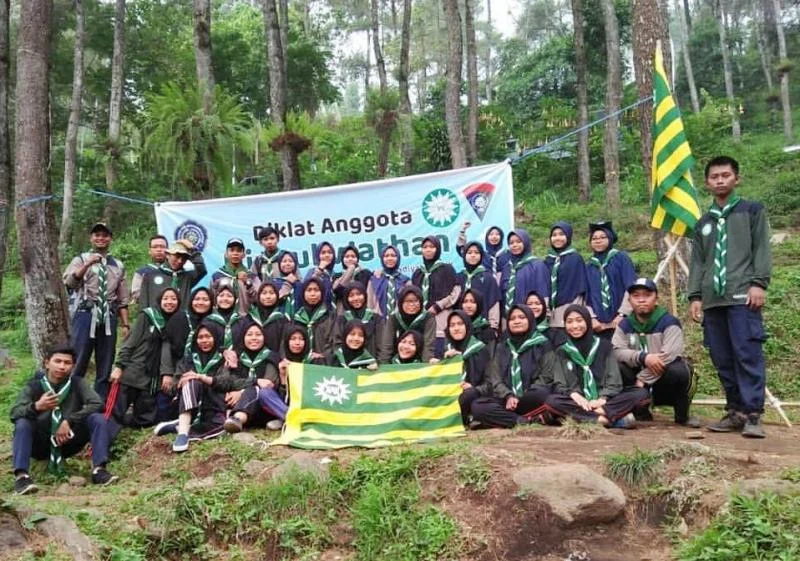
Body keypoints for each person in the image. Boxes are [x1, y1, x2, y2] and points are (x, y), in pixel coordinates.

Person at [689, 155, 772, 438]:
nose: (720, 180)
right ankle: (734, 410)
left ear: (736, 178)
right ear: (707, 183)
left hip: (742, 296)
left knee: (746, 354)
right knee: (722, 357)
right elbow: (698, 262)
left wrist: (758, 283)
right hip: (713, 300)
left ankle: (753, 414)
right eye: (715, 177)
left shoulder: (751, 211)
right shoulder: (703, 223)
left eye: (725, 175)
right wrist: (695, 296)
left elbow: (761, 248)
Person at [10, 345, 119, 494]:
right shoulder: (34, 386)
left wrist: (69, 420)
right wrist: (37, 406)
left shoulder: (78, 384)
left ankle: (99, 470)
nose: (62, 366)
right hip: (40, 443)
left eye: (67, 363)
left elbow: (98, 404)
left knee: (98, 418)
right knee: (22, 422)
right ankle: (22, 477)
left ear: (73, 366)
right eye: (58, 361)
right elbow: (14, 413)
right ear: (47, 363)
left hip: (68, 441)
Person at [613, 278, 699, 427]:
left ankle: (682, 415)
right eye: (636, 296)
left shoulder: (669, 322)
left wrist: (643, 379)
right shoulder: (625, 325)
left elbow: (670, 354)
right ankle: (640, 411)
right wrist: (643, 357)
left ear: (656, 299)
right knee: (617, 366)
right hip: (637, 379)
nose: (641, 300)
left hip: (661, 380)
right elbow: (616, 351)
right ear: (629, 300)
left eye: (647, 295)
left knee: (681, 370)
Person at [546, 305, 650, 427]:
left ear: (587, 322)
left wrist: (602, 400)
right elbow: (559, 384)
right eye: (569, 322)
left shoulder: (604, 346)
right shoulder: (562, 351)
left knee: (641, 394)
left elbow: (614, 381)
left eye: (579, 320)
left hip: (606, 399)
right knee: (552, 401)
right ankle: (609, 421)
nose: (575, 326)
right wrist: (576, 396)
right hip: (577, 402)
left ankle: (593, 415)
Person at [155, 322, 250, 452]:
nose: (204, 341)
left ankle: (179, 426)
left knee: (223, 428)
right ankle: (182, 434)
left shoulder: (224, 359)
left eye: (208, 337)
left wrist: (202, 378)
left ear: (215, 338)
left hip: (214, 406)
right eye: (201, 337)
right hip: (189, 405)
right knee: (191, 381)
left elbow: (226, 383)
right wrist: (182, 382)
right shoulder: (188, 359)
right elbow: (173, 387)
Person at [63, 222, 130, 399]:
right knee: (79, 357)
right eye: (97, 235)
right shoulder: (80, 259)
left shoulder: (118, 265)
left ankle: (99, 402)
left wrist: (125, 324)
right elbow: (70, 283)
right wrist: (87, 265)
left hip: (109, 315)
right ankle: (71, 398)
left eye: (105, 235)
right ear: (91, 238)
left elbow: (122, 298)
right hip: (86, 313)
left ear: (110, 238)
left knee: (106, 359)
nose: (101, 238)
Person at [470, 306, 560, 428]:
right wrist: (508, 395)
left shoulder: (543, 344)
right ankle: (525, 421)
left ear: (530, 320)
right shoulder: (502, 347)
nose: (517, 321)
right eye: (512, 319)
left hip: (530, 399)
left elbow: (547, 376)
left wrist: (522, 396)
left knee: (541, 393)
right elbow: (496, 378)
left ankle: (504, 419)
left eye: (522, 317)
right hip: (507, 401)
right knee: (478, 406)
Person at [108, 288, 180, 428]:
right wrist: (119, 366)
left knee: (146, 420)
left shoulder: (176, 322)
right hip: (132, 373)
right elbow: (130, 342)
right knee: (113, 414)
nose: (169, 302)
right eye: (166, 298)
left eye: (174, 299)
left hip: (151, 380)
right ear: (160, 301)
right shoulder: (147, 316)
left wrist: (167, 373)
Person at [223, 320, 286, 433]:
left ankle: (237, 419)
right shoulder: (235, 357)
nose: (254, 338)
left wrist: (241, 392)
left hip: (262, 410)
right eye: (249, 334)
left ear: (264, 337)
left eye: (258, 334)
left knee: (257, 389)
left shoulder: (271, 357)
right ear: (243, 337)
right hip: (234, 403)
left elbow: (268, 383)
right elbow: (227, 381)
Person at [585, 221, 637, 339]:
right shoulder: (589, 266)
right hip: (598, 325)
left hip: (623, 321)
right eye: (594, 238)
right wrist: (592, 318)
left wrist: (622, 314)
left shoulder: (621, 258)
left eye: (603, 237)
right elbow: (585, 296)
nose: (598, 241)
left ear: (610, 238)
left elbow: (632, 287)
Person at [442, 311, 493, 426]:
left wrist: (474, 388)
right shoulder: (447, 350)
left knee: (468, 396)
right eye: (452, 325)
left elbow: (489, 383)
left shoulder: (480, 349)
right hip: (452, 393)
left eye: (460, 324)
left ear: (467, 326)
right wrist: (442, 363)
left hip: (475, 395)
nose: (456, 328)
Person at [411, 236, 461, 353]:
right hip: (421, 319)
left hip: (441, 316)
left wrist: (438, 306)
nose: (428, 250)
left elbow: (456, 292)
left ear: (438, 249)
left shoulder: (447, 269)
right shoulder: (417, 273)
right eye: (425, 247)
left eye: (432, 247)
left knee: (440, 350)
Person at [135, 240, 207, 311]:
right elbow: (143, 304)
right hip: (157, 320)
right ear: (167, 255)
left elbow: (201, 269)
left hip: (180, 319)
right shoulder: (151, 276)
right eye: (177, 256)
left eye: (184, 258)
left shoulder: (187, 277)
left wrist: (193, 250)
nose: (180, 261)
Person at [544, 222, 588, 328]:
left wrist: (575, 311)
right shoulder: (548, 260)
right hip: (549, 312)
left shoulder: (575, 258)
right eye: (554, 235)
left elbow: (580, 286)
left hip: (569, 308)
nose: (557, 238)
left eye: (561, 234)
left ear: (568, 236)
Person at [378, 285, 436, 363]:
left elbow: (428, 346)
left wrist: (427, 364)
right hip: (396, 361)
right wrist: (383, 366)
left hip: (420, 361)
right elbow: (387, 346)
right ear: (401, 303)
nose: (412, 304)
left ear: (421, 302)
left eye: (415, 301)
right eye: (408, 301)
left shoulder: (428, 318)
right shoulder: (394, 318)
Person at [501, 229, 550, 317]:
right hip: (509, 319)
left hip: (531, 317)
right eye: (511, 243)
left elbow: (543, 292)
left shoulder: (537, 265)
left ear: (526, 242)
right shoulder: (507, 268)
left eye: (518, 241)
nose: (515, 245)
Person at [457, 241, 501, 330]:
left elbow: (494, 303)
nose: (473, 255)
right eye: (469, 252)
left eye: (476, 253)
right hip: (460, 326)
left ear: (481, 256)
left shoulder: (488, 277)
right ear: (464, 255)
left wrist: (493, 326)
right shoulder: (459, 277)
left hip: (482, 326)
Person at [211, 238, 259, 315]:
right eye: (232, 250)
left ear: (244, 254)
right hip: (223, 319)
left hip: (246, 319)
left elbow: (258, 299)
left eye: (239, 250)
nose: (235, 253)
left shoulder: (251, 276)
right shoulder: (217, 276)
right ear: (226, 254)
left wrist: (248, 283)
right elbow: (212, 301)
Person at [292, 277, 335, 359]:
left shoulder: (331, 317)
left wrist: (323, 355)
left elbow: (335, 343)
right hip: (299, 364)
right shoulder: (296, 318)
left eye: (316, 290)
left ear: (322, 293)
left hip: (324, 365)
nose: (312, 294)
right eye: (309, 290)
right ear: (303, 293)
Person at [334, 282, 380, 358]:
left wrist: (378, 363)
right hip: (347, 365)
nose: (355, 298)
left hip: (372, 365)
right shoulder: (341, 320)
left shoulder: (375, 318)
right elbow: (337, 344)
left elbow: (382, 345)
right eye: (351, 295)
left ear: (365, 295)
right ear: (346, 299)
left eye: (359, 294)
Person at [367, 245, 411, 317]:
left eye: (393, 255)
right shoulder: (374, 280)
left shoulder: (406, 281)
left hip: (400, 323)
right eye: (386, 256)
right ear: (382, 259)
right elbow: (369, 305)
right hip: (379, 323)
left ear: (398, 258)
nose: (390, 258)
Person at [247, 280, 289, 353]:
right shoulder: (249, 318)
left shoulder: (282, 321)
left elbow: (284, 346)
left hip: (274, 361)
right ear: (259, 296)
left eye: (272, 293)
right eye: (264, 293)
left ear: (277, 296)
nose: (268, 297)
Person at [130, 235, 168, 304]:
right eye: (155, 247)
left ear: (168, 250)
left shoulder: (173, 271)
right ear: (149, 251)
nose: (159, 250)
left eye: (162, 247)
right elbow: (136, 295)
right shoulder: (141, 272)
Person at [206, 285, 245, 351]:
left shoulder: (243, 321)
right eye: (221, 295)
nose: (225, 299)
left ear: (235, 300)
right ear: (216, 299)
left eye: (229, 296)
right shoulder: (208, 321)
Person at [304, 241, 337, 306]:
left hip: (332, 312)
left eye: (330, 252)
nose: (327, 255)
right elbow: (307, 288)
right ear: (318, 256)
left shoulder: (334, 274)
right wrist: (320, 269)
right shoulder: (312, 271)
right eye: (323, 253)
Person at [274, 251, 302, 318]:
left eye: (291, 261)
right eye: (284, 261)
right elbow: (273, 300)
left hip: (298, 321)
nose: (287, 264)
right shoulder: (274, 283)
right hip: (280, 320)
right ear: (279, 265)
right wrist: (288, 283)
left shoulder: (300, 284)